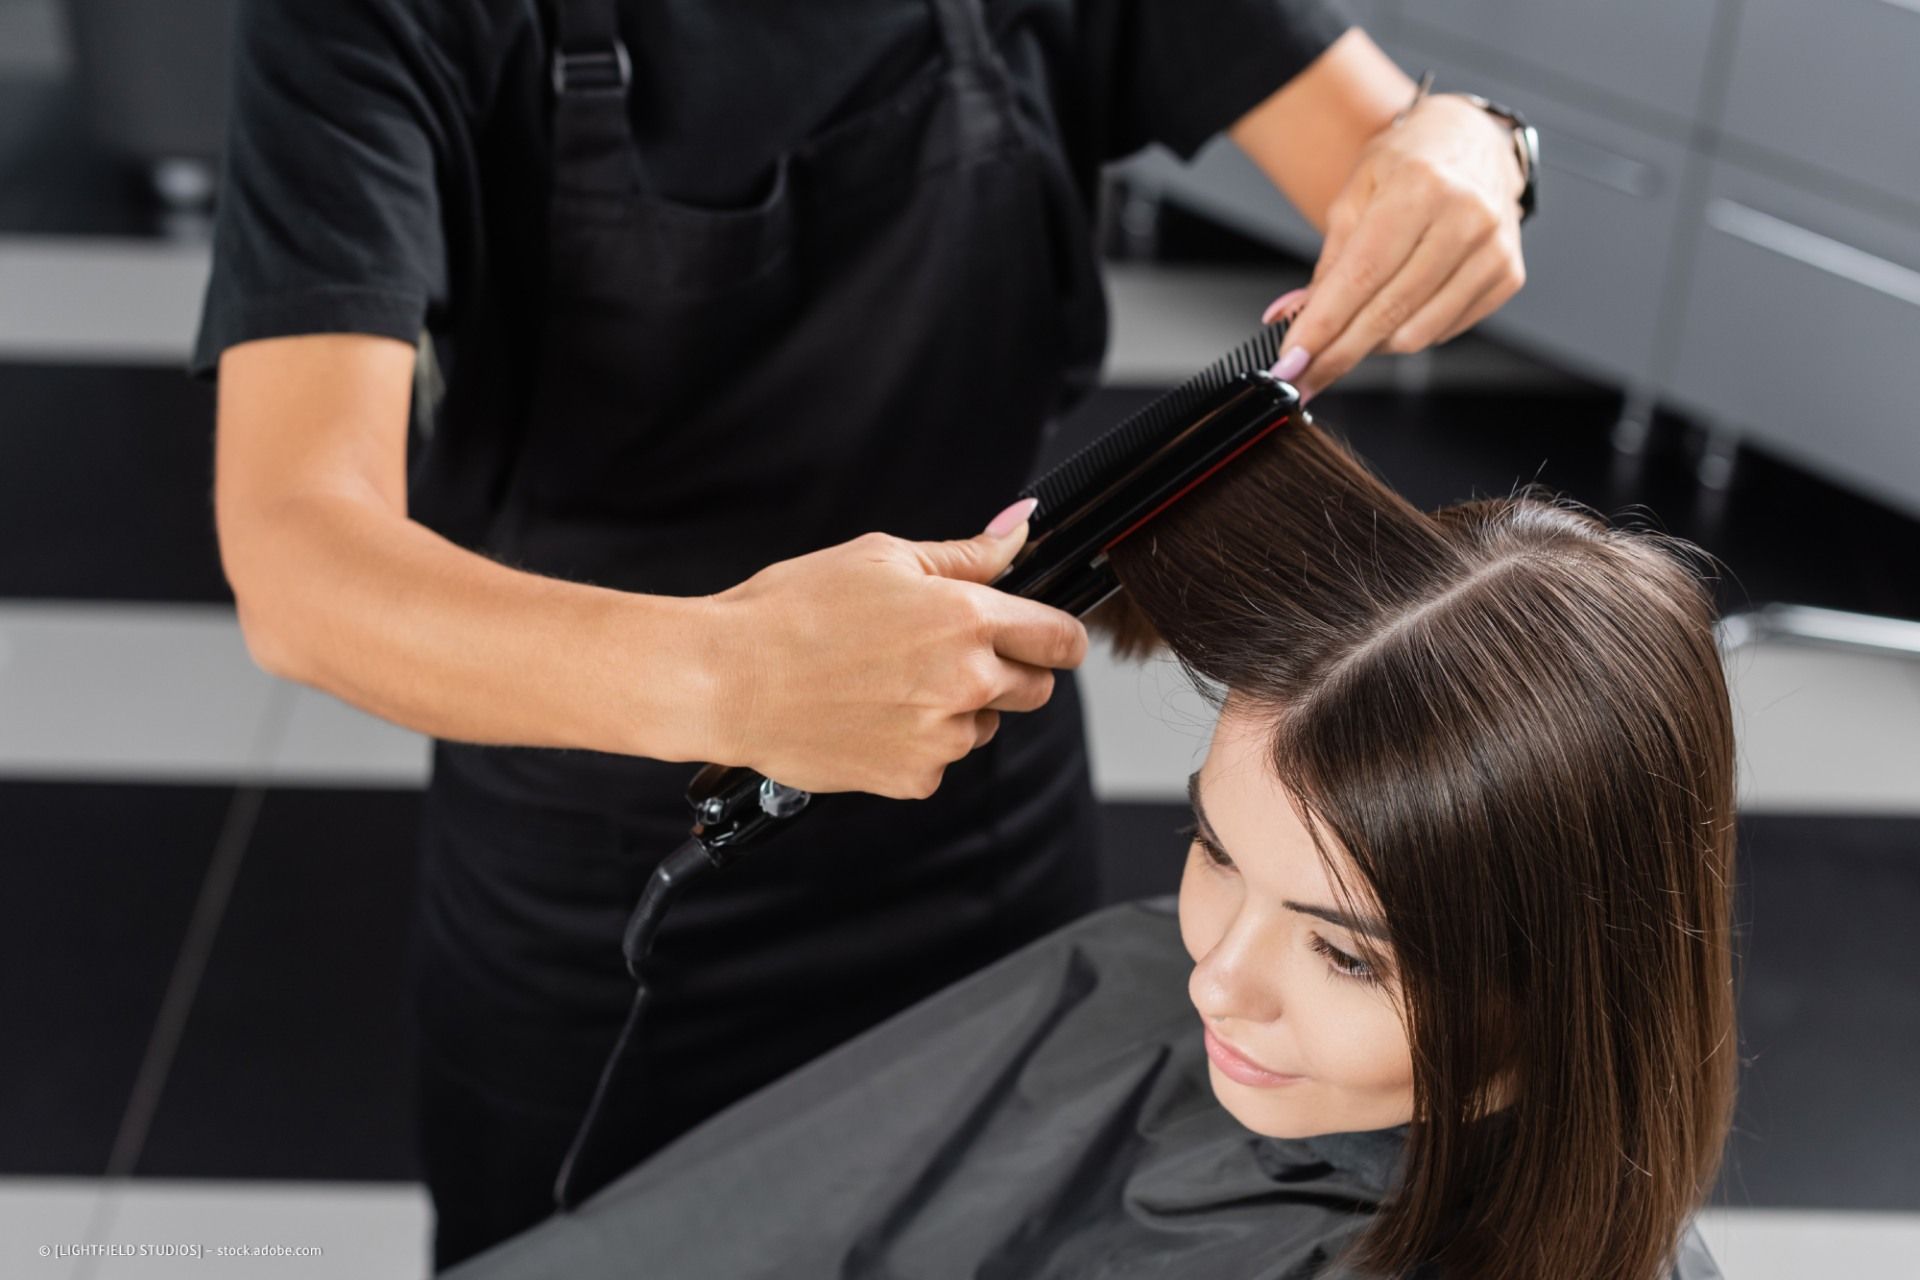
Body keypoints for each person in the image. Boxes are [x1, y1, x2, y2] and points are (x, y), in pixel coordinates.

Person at [191, 0, 1532, 1267]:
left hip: (985, 817)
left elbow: (1379, 144)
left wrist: (1471, 145)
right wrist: (728, 675)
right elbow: (300, 560)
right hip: (612, 850)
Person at [437, 409, 1732, 1280]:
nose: (1217, 979)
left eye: (1346, 955)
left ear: (1580, 977)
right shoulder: (1142, 987)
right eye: (1216, 851)